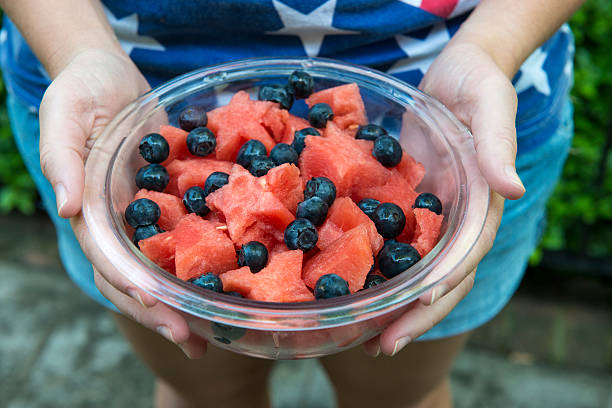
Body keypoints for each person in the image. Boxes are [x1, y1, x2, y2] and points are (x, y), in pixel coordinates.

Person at [0, 0, 583, 406]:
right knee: (202, 389)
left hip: (457, 110)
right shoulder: (192, 169)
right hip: (113, 100)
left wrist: (492, 46)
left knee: (398, 396)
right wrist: (76, 50)